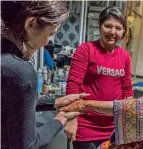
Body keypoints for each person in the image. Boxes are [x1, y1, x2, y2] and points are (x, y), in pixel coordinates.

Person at [1, 1, 84, 149]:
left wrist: (51, 104)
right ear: (31, 23)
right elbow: (28, 145)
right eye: (50, 34)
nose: (47, 42)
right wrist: (60, 119)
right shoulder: (20, 72)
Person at [65, 7, 133, 149]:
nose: (112, 32)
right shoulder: (86, 50)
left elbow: (127, 90)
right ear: (100, 26)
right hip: (86, 127)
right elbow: (73, 86)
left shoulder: (125, 56)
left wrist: (129, 123)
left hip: (114, 129)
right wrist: (71, 119)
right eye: (108, 26)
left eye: (118, 28)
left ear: (124, 31)